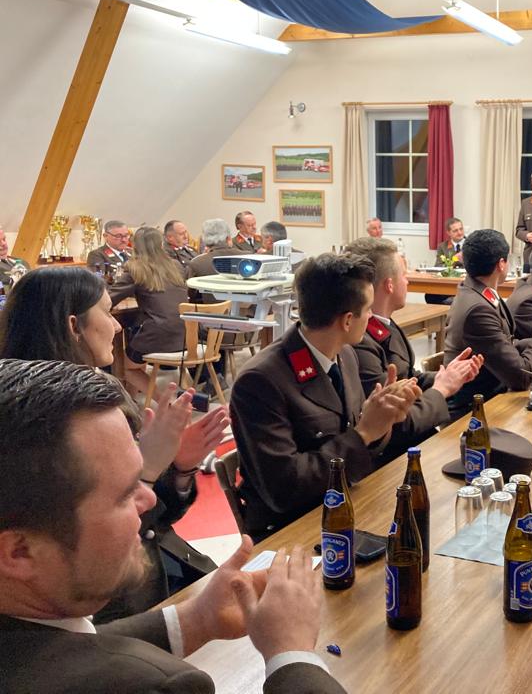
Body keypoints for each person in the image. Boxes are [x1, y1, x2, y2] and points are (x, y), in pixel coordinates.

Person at [0, 359, 344, 694]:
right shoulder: (156, 685)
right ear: (19, 552)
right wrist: (292, 654)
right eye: (124, 495)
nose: (149, 499)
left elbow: (59, 650)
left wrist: (198, 619)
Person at [0, 266, 228, 621]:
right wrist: (148, 470)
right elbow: (99, 549)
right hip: (111, 603)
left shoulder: (100, 394)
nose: (118, 326)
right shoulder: (41, 426)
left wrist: (180, 468)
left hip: (160, 566)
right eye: (107, 313)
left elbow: (153, 516)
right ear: (74, 326)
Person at [230, 253, 420, 539]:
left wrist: (383, 420)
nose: (371, 317)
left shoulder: (345, 354)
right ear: (347, 320)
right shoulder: (260, 380)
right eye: (368, 309)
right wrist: (364, 433)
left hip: (346, 502)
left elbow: (358, 444)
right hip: (293, 528)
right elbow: (285, 488)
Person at [345, 237, 483, 459]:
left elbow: (410, 377)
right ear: (390, 285)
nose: (407, 281)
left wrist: (450, 376)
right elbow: (395, 423)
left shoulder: (385, 323)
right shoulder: (359, 342)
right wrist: (442, 389)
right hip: (393, 458)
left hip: (417, 442)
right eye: (403, 275)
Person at [443, 229, 532, 412]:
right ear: (501, 264)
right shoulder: (478, 309)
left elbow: (504, 344)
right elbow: (520, 378)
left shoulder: (476, 291)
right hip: (475, 408)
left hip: (492, 394)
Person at [109, 227, 189, 396]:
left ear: (135, 245)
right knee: (137, 347)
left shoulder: (135, 268)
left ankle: (164, 403)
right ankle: (133, 399)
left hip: (157, 334)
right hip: (185, 334)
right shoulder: (175, 265)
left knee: (128, 367)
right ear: (161, 244)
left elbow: (110, 299)